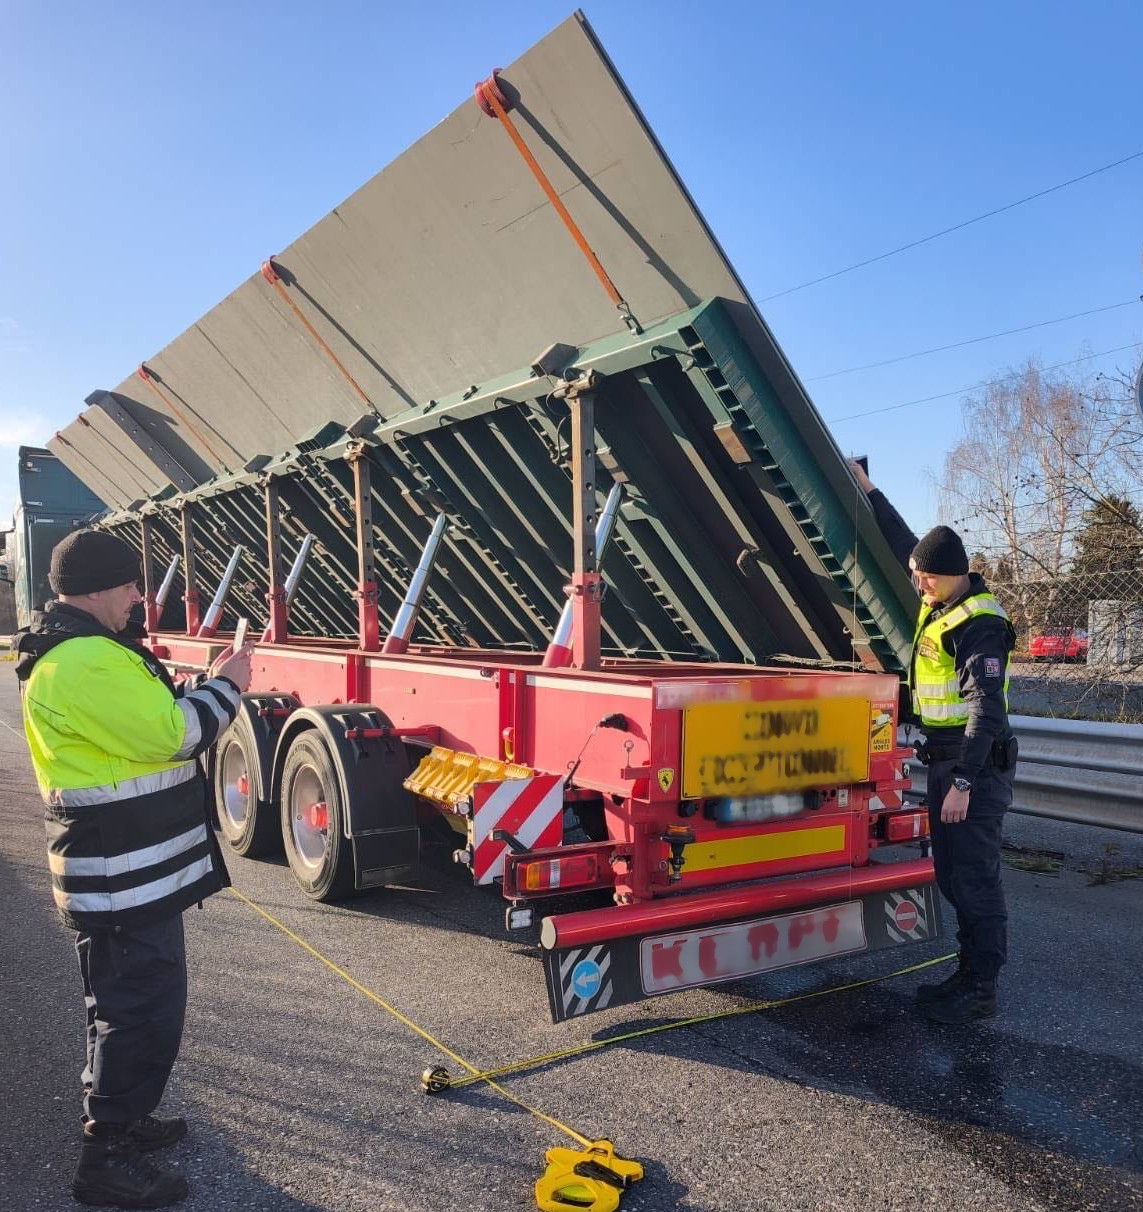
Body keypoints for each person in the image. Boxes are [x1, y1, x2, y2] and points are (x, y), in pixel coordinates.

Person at [14, 528, 253, 1208]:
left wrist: (198, 687)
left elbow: (142, 725)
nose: (137, 598)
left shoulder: (80, 652)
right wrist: (229, 686)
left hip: (123, 872)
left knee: (122, 1007)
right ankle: (106, 1155)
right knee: (139, 1013)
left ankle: (123, 1118)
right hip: (122, 877)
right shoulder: (87, 659)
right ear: (96, 589)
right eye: (128, 585)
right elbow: (174, 734)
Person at [849, 462, 1017, 1026]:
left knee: (974, 879)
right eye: (916, 575)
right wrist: (870, 490)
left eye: (924, 577)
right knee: (951, 876)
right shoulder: (941, 598)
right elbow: (905, 543)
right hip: (946, 763)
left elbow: (987, 710)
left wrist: (965, 782)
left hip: (975, 768)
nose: (916, 584)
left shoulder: (979, 626)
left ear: (950, 575)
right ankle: (965, 977)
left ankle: (981, 988)